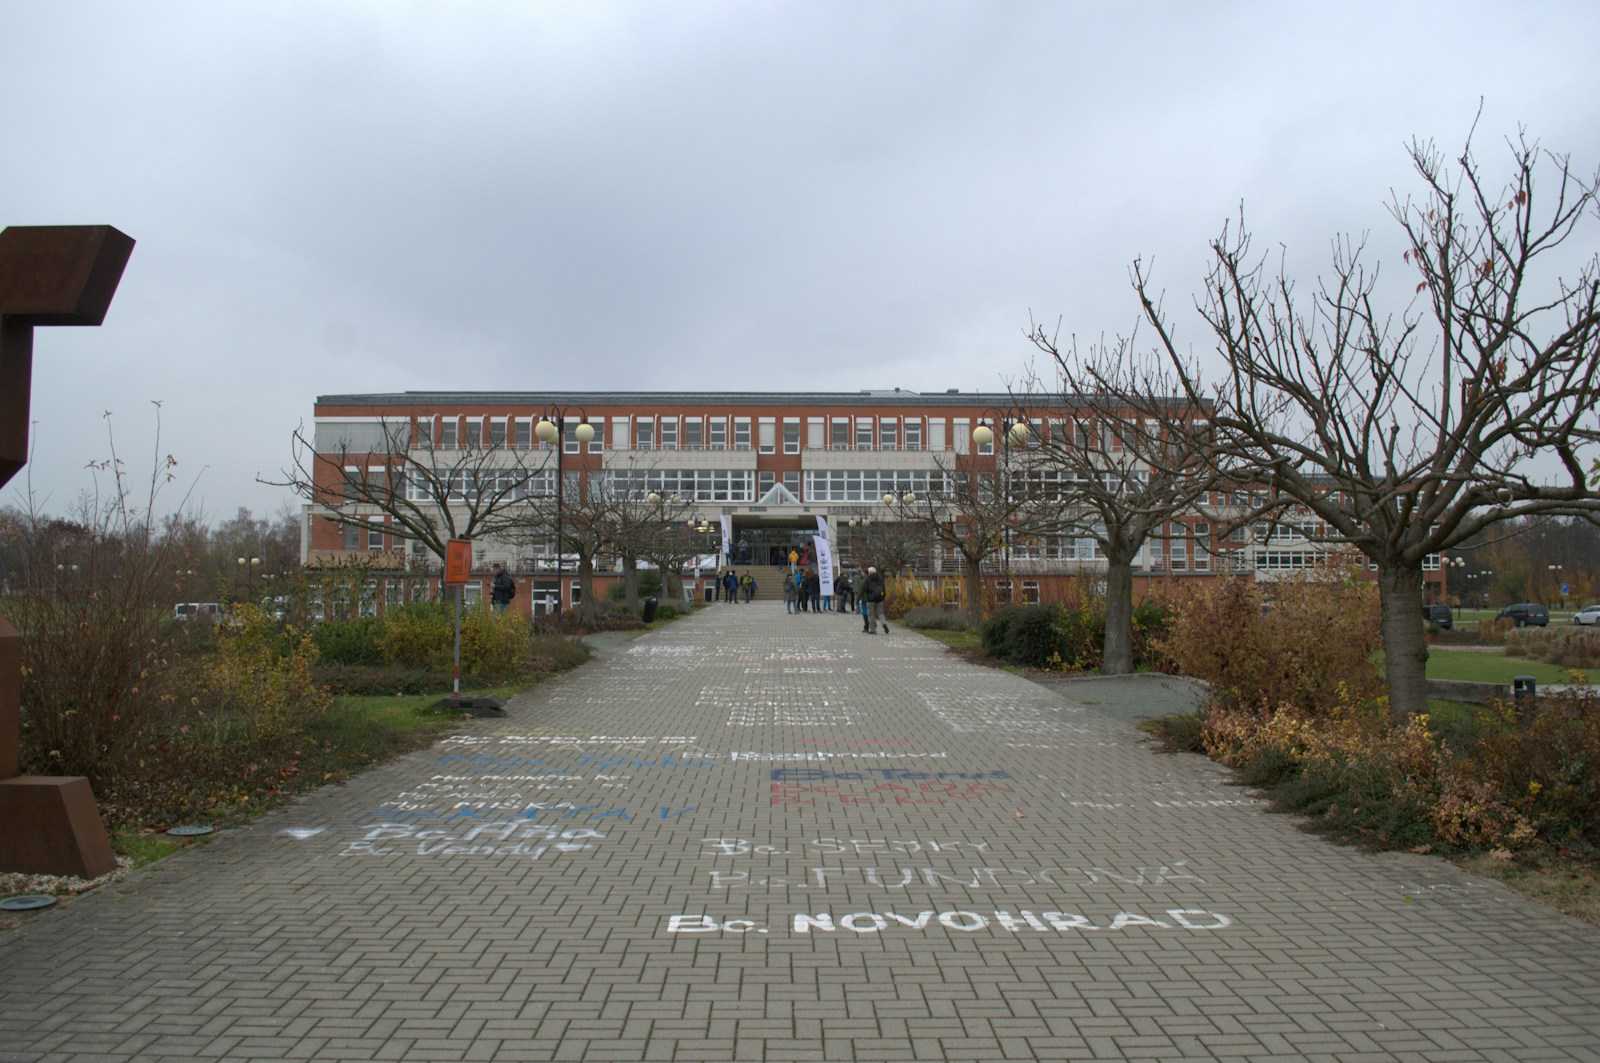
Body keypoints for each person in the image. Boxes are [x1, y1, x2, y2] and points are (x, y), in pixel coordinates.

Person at [862, 566, 887, 634]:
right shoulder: (880, 579)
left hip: (871, 599)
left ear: (869, 572)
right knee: (881, 613)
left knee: (871, 614)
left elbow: (865, 589)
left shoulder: (868, 579)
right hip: (880, 599)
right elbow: (884, 589)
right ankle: (883, 623)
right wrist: (883, 597)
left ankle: (873, 630)